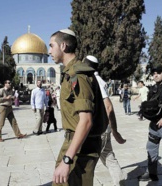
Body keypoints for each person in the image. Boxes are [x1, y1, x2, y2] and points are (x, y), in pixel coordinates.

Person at [49, 29, 107, 185]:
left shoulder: (78, 75)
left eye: (51, 46)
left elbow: (86, 121)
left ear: (63, 46)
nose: (49, 51)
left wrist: (67, 160)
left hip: (81, 149)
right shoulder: (70, 73)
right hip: (74, 144)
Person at [84, 55, 127, 185]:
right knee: (108, 157)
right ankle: (120, 182)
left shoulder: (94, 80)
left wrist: (115, 130)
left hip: (98, 130)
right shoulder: (96, 79)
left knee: (87, 162)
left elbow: (108, 106)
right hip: (102, 128)